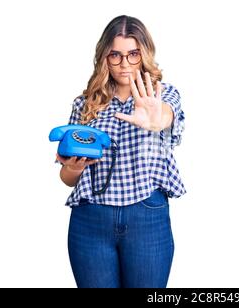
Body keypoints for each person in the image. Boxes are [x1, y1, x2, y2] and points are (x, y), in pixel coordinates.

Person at [55, 15, 186, 288]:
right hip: (91, 221)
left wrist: (156, 119)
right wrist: (74, 167)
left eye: (133, 54)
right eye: (115, 55)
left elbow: (165, 117)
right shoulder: (85, 104)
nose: (124, 64)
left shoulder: (161, 94)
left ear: (144, 55)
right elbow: (68, 178)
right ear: (105, 57)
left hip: (146, 217)